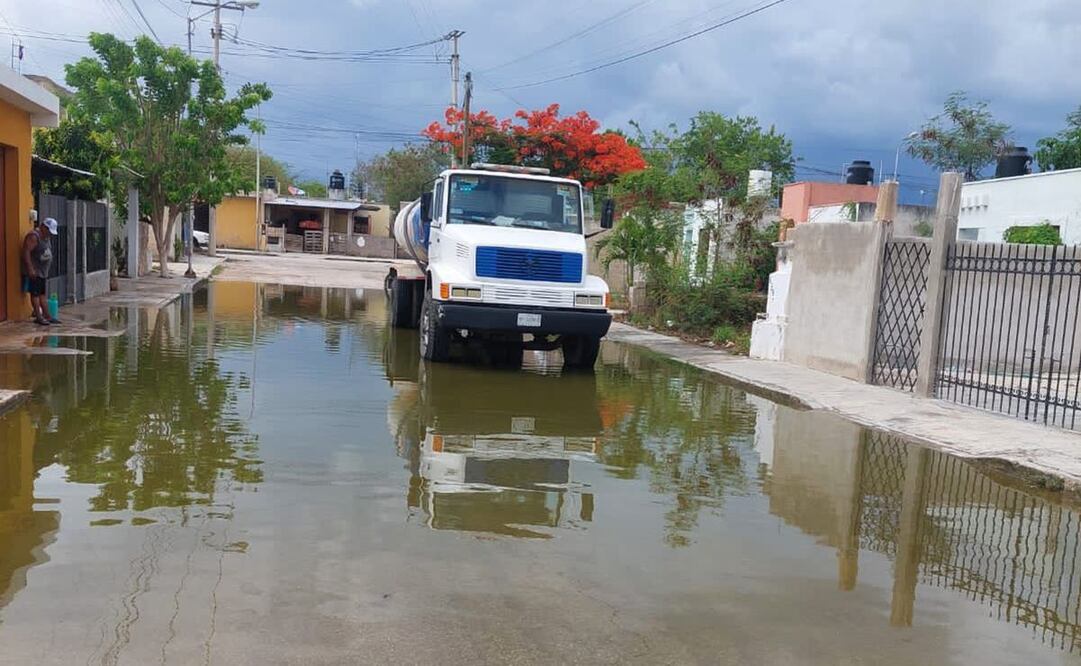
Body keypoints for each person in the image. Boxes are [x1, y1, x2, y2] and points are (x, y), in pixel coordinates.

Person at [22, 217, 58, 326]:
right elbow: (26, 252)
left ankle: (47, 316)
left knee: (42, 294)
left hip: (43, 272)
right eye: (48, 231)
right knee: (35, 294)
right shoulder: (34, 236)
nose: (49, 234)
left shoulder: (46, 237)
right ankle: (38, 316)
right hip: (35, 272)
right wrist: (30, 269)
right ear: (43, 226)